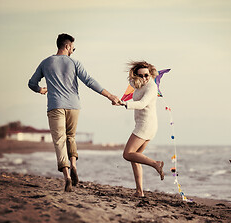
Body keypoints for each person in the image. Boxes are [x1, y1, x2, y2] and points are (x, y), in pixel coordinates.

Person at [28, 33, 121, 192]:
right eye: (73, 48)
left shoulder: (45, 63)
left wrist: (40, 90)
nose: (73, 51)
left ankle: (67, 177)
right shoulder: (74, 63)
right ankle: (74, 165)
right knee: (71, 137)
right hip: (73, 106)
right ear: (67, 46)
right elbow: (90, 82)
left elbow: (31, 83)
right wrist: (110, 96)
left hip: (55, 106)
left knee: (59, 141)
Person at [121, 61, 164, 197]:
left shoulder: (151, 87)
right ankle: (139, 192)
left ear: (150, 74)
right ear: (136, 76)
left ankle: (155, 164)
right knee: (135, 158)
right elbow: (132, 83)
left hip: (146, 125)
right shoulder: (138, 84)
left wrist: (125, 104)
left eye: (146, 75)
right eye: (141, 76)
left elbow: (142, 104)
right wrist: (118, 101)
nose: (144, 78)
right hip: (145, 124)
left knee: (127, 154)